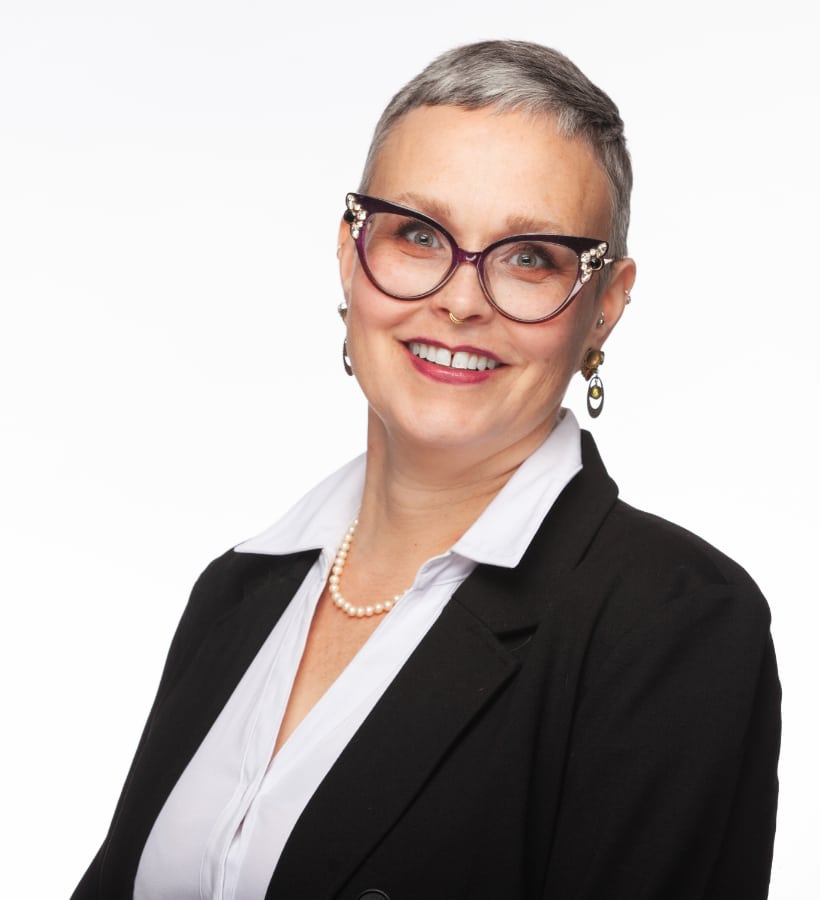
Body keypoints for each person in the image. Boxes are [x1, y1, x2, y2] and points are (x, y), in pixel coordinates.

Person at [72, 40, 780, 900]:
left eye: (530, 255)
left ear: (605, 305)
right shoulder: (236, 594)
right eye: (418, 234)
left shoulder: (676, 624)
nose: (460, 299)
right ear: (351, 251)